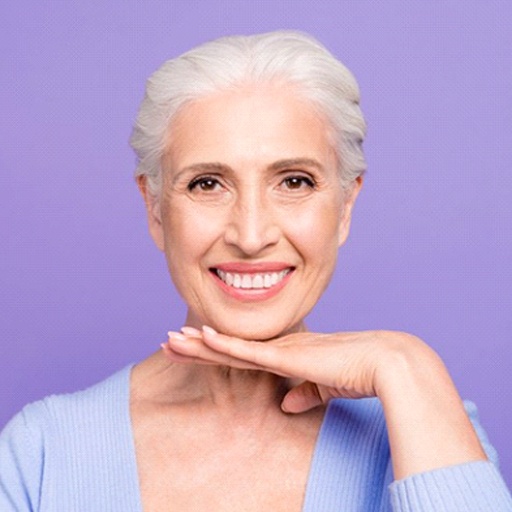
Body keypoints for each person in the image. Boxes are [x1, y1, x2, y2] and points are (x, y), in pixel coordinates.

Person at [1, 30, 511, 512]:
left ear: (346, 206)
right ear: (155, 207)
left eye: (294, 181)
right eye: (207, 184)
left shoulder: (422, 420)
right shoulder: (41, 453)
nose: (250, 235)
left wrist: (406, 360)